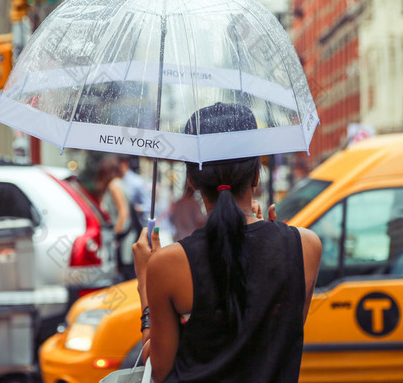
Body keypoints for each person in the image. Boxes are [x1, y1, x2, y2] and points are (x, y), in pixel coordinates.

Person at [133, 102, 322, 382]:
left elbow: (160, 370)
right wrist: (272, 251)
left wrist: (144, 283)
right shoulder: (306, 247)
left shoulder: (167, 265)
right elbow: (279, 337)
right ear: (257, 175)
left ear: (193, 181)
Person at [95, 155, 141, 281]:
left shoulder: (114, 185)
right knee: (129, 273)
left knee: (126, 274)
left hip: (124, 237)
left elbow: (123, 212)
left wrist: (116, 235)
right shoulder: (121, 183)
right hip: (128, 235)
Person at [118, 155, 152, 225]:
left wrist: (135, 209)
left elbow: (150, 206)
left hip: (135, 226)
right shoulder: (119, 180)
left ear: (124, 164)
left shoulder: (136, 182)